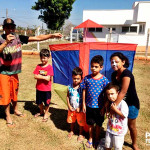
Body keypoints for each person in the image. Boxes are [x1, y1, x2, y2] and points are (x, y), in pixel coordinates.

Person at [0, 18, 62, 127]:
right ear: (4, 28)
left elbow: (37, 38)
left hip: (14, 72)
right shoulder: (0, 39)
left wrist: (52, 35)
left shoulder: (18, 38)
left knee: (14, 92)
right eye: (8, 27)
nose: (10, 29)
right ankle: (8, 116)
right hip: (3, 72)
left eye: (12, 27)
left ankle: (15, 110)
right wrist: (6, 43)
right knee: (5, 95)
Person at [110, 52, 140, 150]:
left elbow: (123, 92)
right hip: (120, 103)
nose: (114, 64)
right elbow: (114, 90)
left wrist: (113, 107)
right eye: (112, 62)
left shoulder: (127, 74)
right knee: (118, 123)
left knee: (131, 126)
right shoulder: (114, 74)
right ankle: (117, 139)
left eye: (116, 61)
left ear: (123, 62)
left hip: (131, 104)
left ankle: (134, 144)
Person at [82, 55, 109, 148]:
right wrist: (84, 104)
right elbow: (84, 90)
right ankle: (90, 138)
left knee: (98, 124)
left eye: (96, 66)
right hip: (89, 106)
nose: (93, 68)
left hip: (100, 107)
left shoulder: (104, 80)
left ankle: (97, 138)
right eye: (92, 66)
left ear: (101, 67)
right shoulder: (86, 78)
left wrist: (104, 107)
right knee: (90, 123)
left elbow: (106, 94)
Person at [103, 83, 129, 150]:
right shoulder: (110, 102)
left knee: (117, 146)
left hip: (119, 131)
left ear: (118, 93)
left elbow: (124, 115)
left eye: (112, 94)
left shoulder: (123, 103)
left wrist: (115, 109)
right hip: (110, 129)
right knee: (107, 144)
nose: (110, 96)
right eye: (108, 94)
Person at [33, 49, 53, 122]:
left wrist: (40, 76)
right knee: (39, 102)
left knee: (47, 103)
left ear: (48, 57)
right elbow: (35, 76)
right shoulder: (38, 66)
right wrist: (44, 77)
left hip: (46, 89)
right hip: (39, 88)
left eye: (44, 57)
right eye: (41, 57)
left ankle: (46, 113)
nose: (43, 59)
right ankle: (41, 111)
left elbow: (48, 78)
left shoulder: (49, 67)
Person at [67, 67, 86, 143]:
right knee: (72, 120)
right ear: (72, 77)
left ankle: (81, 133)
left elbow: (83, 98)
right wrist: (69, 106)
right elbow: (68, 96)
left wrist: (80, 107)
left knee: (81, 121)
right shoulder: (69, 86)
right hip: (71, 108)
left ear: (81, 78)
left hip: (79, 109)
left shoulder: (82, 88)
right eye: (74, 78)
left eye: (78, 79)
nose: (76, 80)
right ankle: (72, 130)